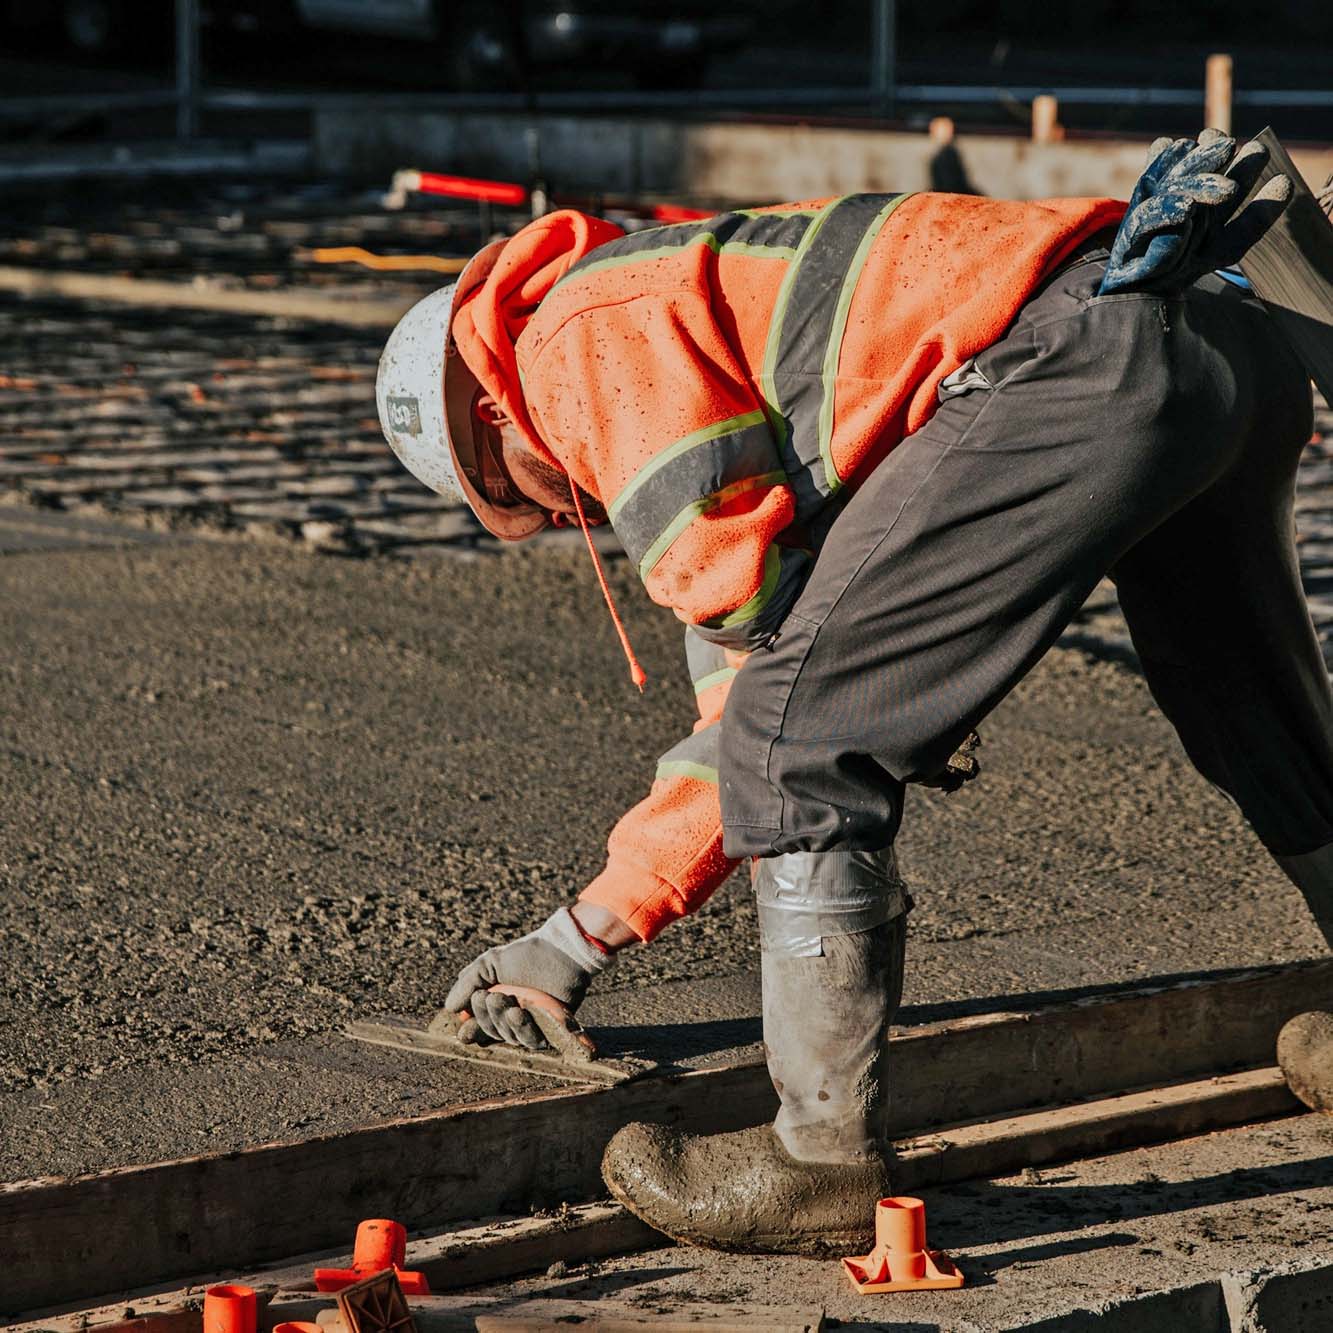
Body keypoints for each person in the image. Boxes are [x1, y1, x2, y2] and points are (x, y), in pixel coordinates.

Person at [376, 132, 1329, 1254]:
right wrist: (577, 938)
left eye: (525, 501)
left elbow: (764, 693)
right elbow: (759, 667)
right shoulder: (699, 314)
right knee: (1253, 711)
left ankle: (818, 1161)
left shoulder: (569, 345)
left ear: (489, 420)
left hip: (1081, 354)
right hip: (1217, 346)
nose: (562, 511)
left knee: (801, 741)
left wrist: (580, 935)